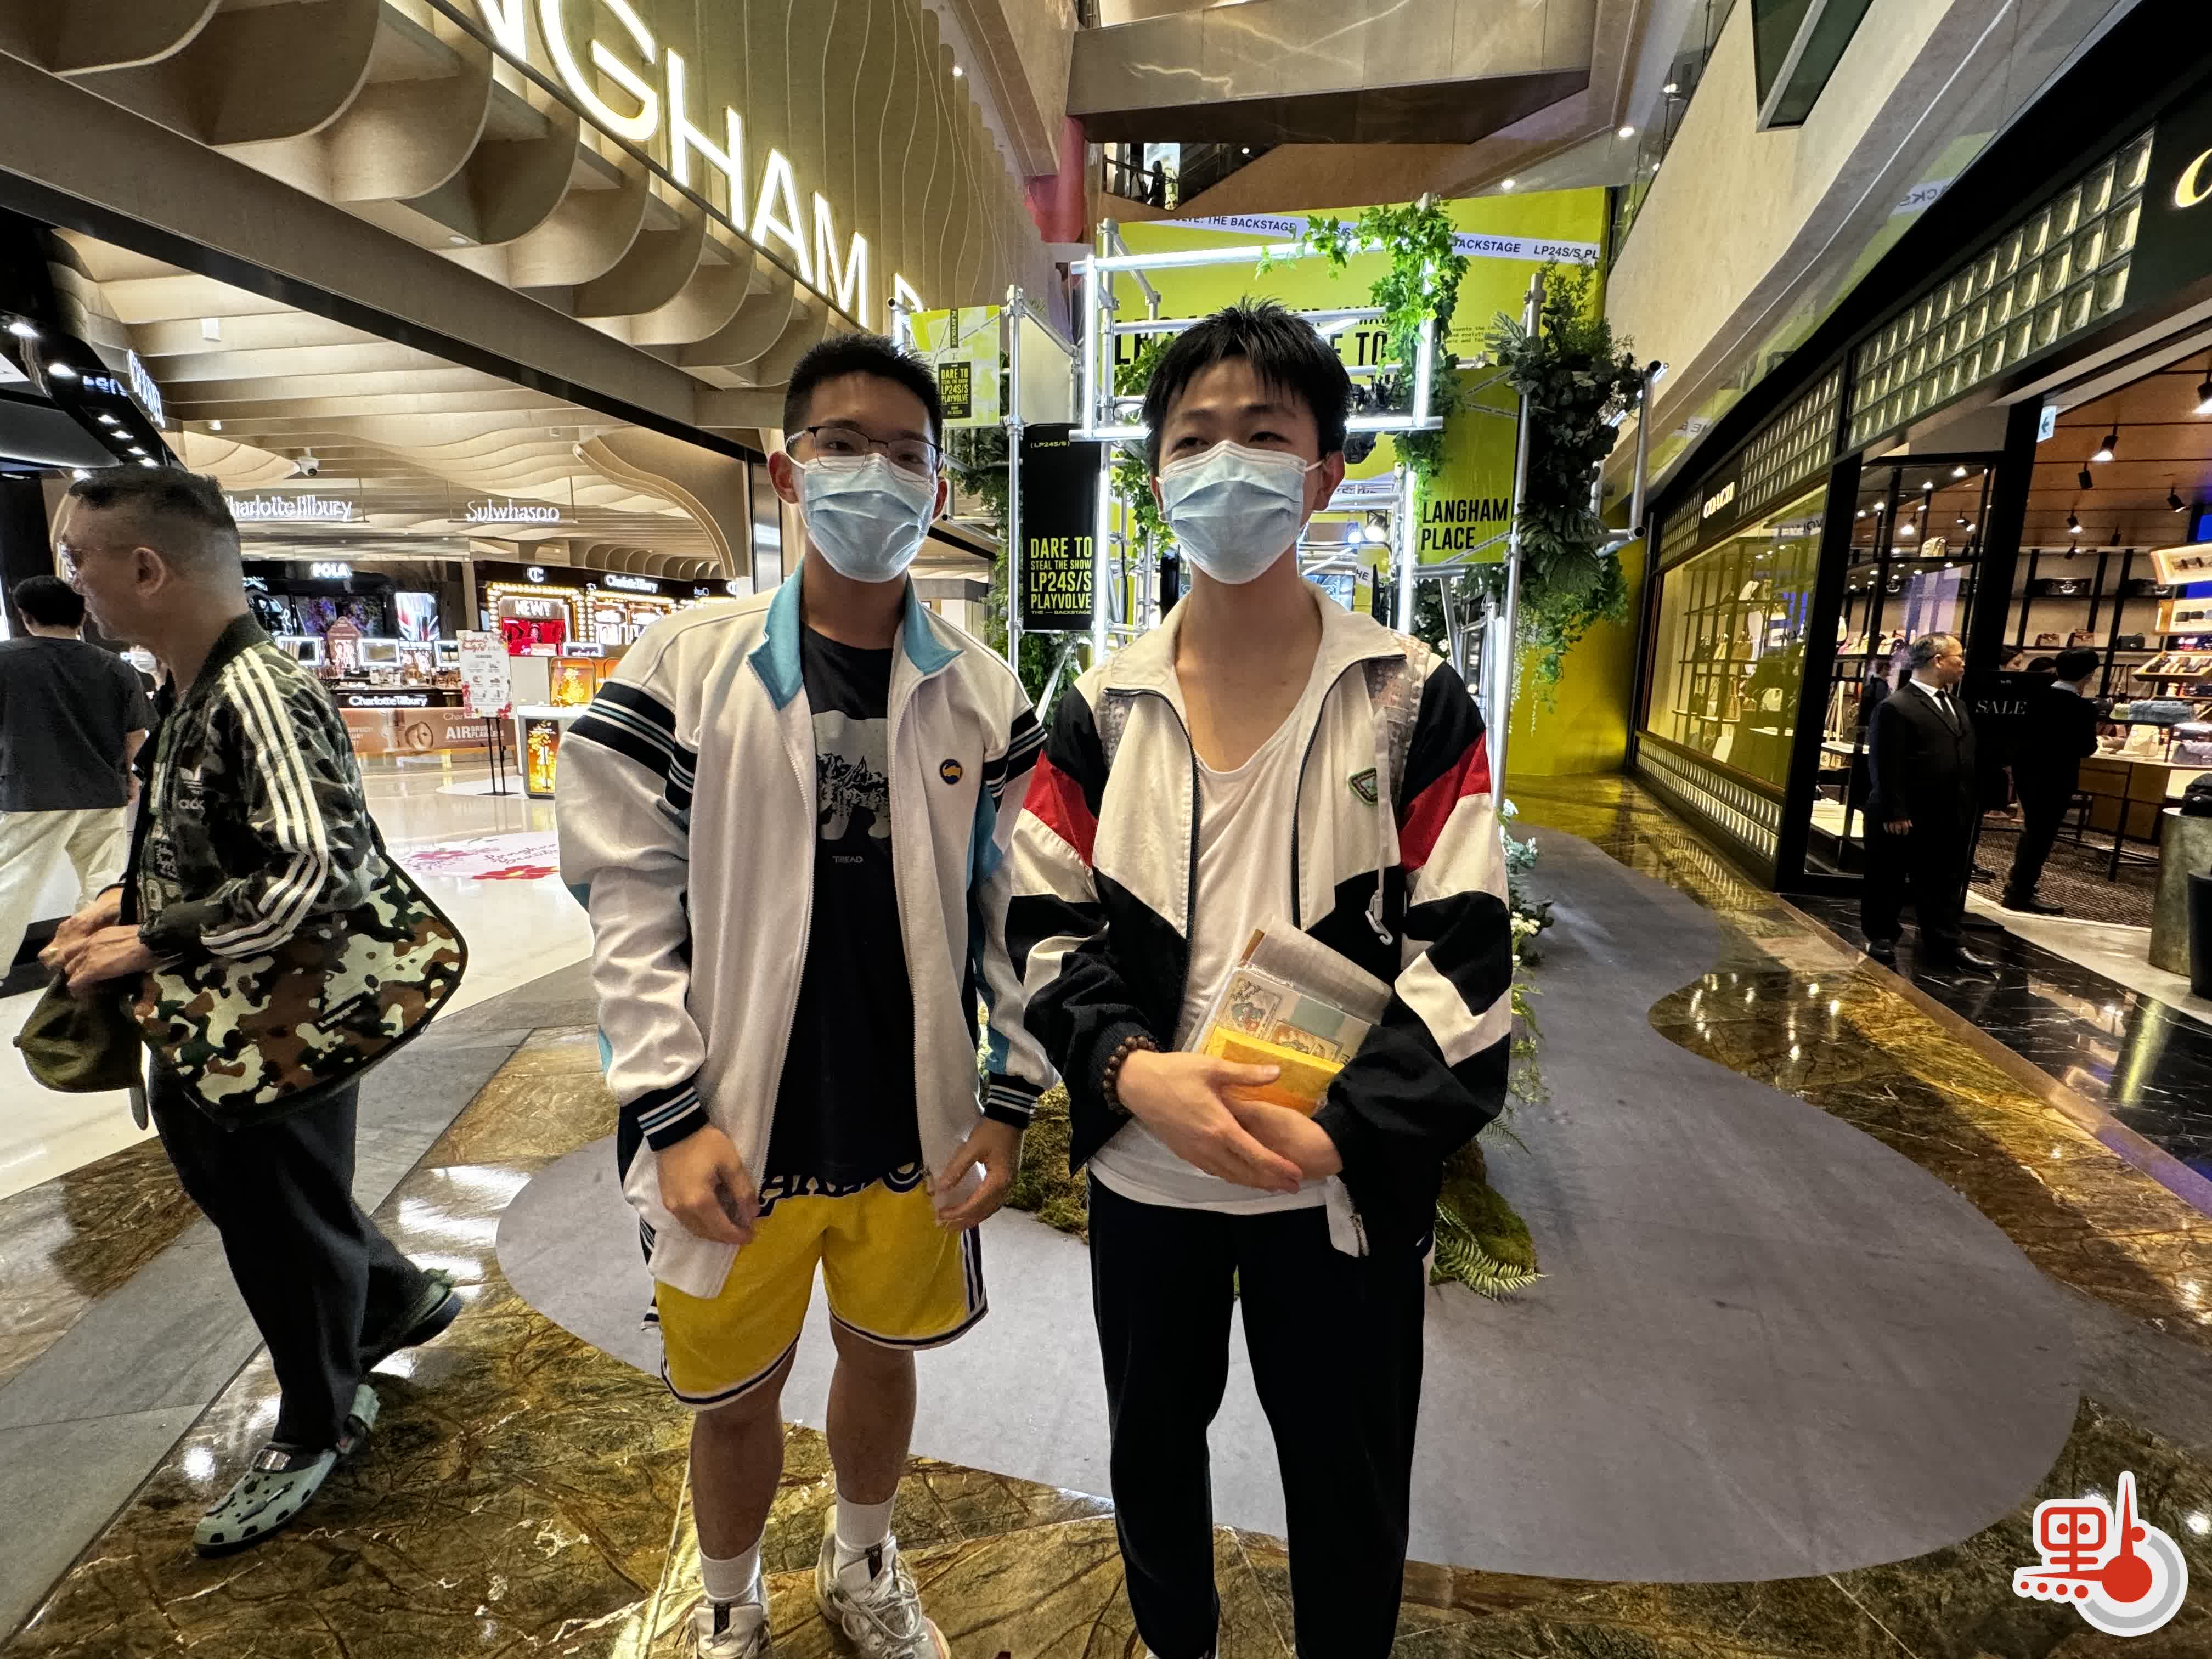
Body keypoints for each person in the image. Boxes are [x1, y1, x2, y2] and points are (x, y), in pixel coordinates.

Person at [1008, 301, 1514, 1658]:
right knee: (1151, 1460)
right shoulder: (1100, 711)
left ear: (1324, 473)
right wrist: (1131, 1073)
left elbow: (1467, 959)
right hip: (1150, 1176)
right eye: (1193, 439)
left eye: (1264, 435)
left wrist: (1344, 1132)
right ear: (1155, 477)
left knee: (1348, 1478)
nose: (1225, 464)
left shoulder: (1408, 700)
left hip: (1333, 1188)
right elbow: (1044, 929)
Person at [557, 334, 1048, 1659]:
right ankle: (728, 1601)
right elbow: (626, 906)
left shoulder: (983, 696)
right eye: (843, 444)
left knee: (883, 1354)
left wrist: (1008, 1104)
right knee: (732, 1397)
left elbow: (1019, 915)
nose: (874, 473)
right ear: (788, 469)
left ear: (936, 489)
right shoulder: (685, 669)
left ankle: (862, 1557)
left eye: (906, 454)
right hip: (731, 1128)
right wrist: (672, 1115)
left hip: (911, 1121)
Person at [41, 467, 462, 1552]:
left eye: (80, 559)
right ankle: (391, 1300)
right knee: (268, 1199)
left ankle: (319, 1421)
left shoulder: (256, 691)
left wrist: (152, 938)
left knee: (278, 1223)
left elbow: (314, 871)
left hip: (280, 1021)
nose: (72, 581)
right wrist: (122, 902)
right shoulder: (193, 687)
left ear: (147, 567)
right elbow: (214, 844)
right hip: (232, 1019)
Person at [0, 574, 151, 973]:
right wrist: (130, 778)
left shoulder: (6, 660)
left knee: (11, 888)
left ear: (25, 615)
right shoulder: (115, 668)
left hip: (32, 793)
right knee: (104, 888)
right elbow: (135, 736)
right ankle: (92, 969)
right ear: (83, 615)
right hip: (103, 792)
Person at [1861, 631, 1993, 973]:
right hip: (1905, 812)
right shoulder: (1896, 706)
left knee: (1943, 879)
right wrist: (1895, 810)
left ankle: (1945, 941)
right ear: (1938, 660)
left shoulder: (1957, 705)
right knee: (1888, 876)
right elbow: (1885, 763)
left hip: (1947, 811)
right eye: (1958, 657)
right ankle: (1881, 935)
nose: (1963, 664)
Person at [2003, 646, 2102, 915]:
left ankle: (2019, 884)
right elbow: (2087, 748)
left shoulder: (2034, 697)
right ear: (2089, 675)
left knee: (2033, 831)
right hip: (2056, 779)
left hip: (2026, 772)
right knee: (2041, 836)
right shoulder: (2082, 708)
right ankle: (2020, 891)